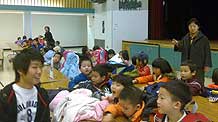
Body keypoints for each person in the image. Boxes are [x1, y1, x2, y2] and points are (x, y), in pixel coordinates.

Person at [0, 48, 50, 122]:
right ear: (20, 70)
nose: (39, 71)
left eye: (41, 67)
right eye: (34, 67)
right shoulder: (6, 96)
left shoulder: (42, 95)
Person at [172, 18, 212, 84]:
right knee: (186, 81)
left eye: (194, 26)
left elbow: (207, 52)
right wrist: (177, 44)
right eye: (190, 26)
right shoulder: (185, 37)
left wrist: (207, 65)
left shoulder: (204, 39)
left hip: (198, 64)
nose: (192, 28)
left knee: (198, 81)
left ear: (198, 27)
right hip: (186, 64)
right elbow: (182, 48)